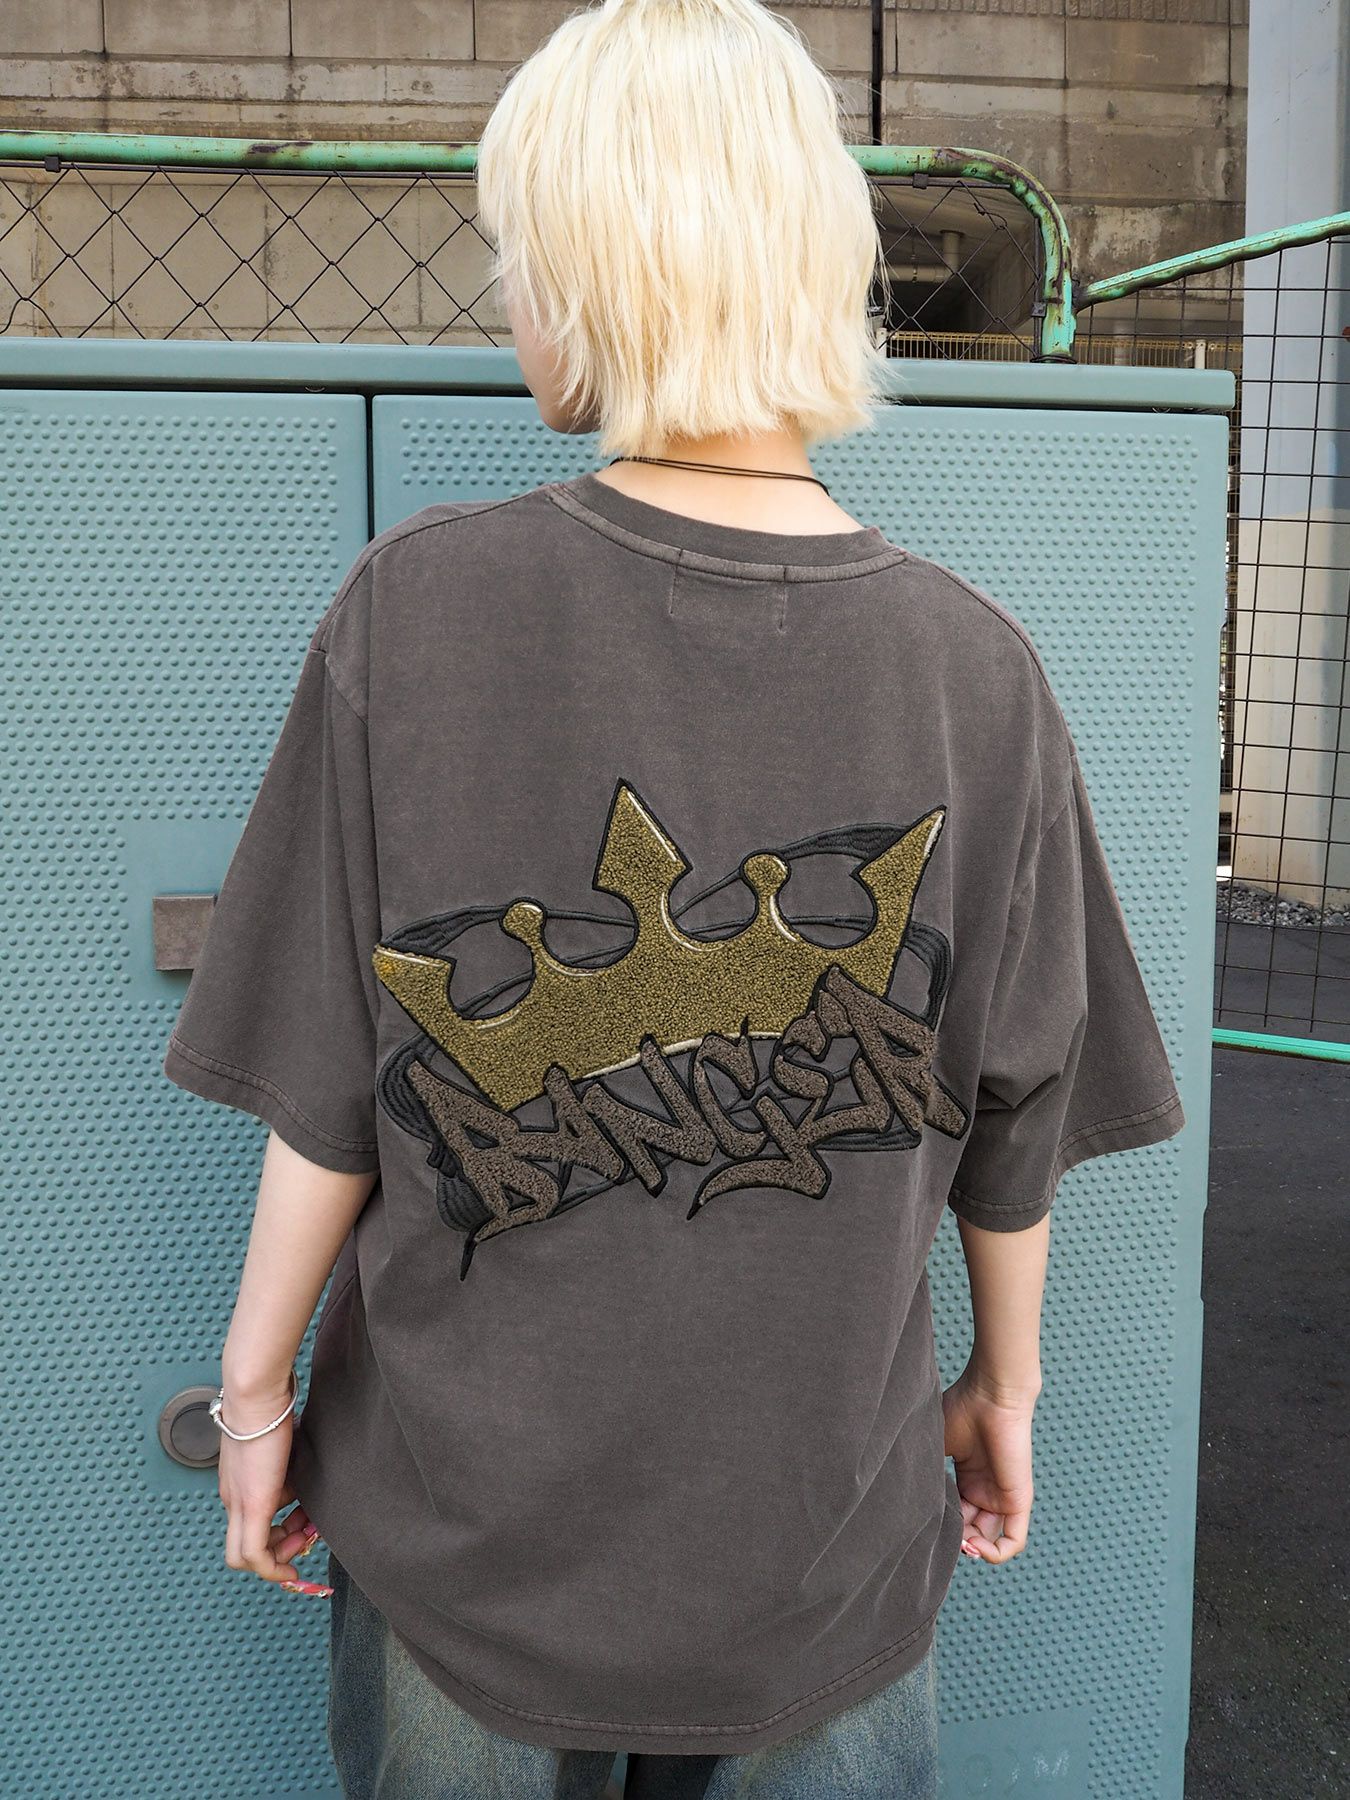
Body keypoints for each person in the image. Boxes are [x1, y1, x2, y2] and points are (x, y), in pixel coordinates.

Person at [161, 1, 1186, 1795]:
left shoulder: (416, 614)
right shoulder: (979, 672)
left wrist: (255, 1398)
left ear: (586, 277)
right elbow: (1016, 1105)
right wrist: (1002, 1390)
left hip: (465, 1555)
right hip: (825, 1552)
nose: (504, 295)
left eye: (513, 252)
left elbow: (329, 1086)